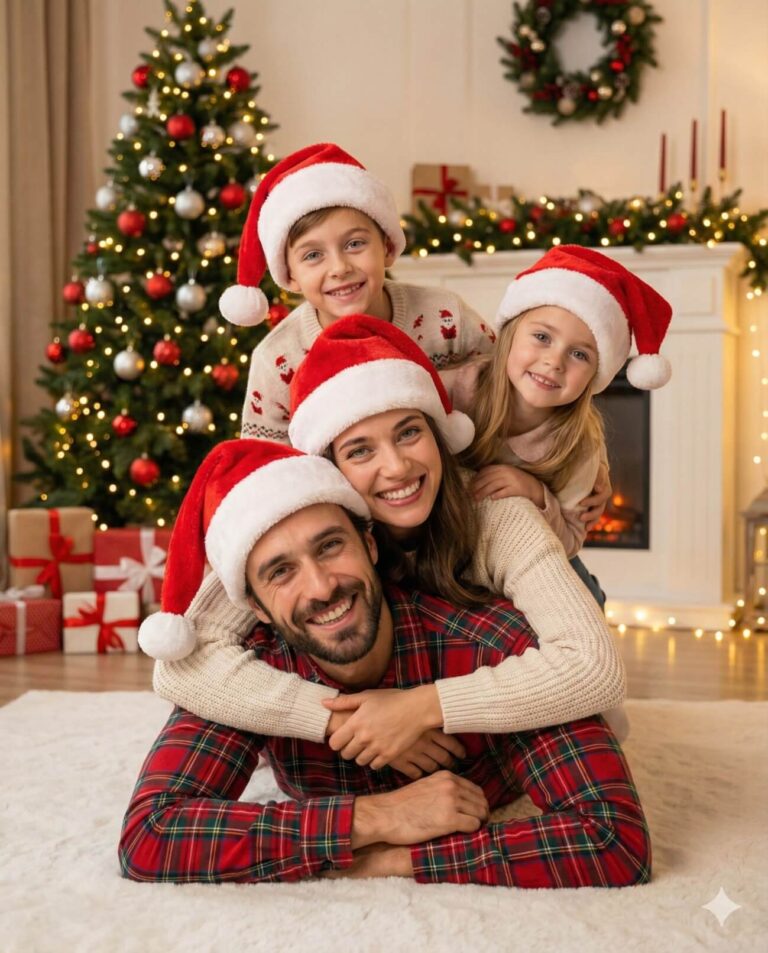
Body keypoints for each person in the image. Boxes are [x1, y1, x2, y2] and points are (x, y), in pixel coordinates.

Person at [121, 440, 651, 886]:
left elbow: (613, 839)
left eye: (330, 547)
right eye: (281, 572)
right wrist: (375, 819)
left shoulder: (492, 642)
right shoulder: (250, 674)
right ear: (255, 607)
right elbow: (150, 834)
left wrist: (396, 861)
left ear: (370, 546)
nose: (322, 586)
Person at [142, 316, 626, 772]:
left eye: (409, 433)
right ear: (329, 467)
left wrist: (418, 709)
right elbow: (181, 664)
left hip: (475, 739)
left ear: (438, 435)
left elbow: (594, 665)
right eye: (360, 450)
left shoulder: (498, 517)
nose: (396, 468)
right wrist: (339, 720)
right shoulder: (300, 528)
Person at [219, 141, 497, 443]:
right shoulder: (276, 360)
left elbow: (507, 394)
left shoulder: (446, 316)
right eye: (312, 255)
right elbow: (268, 464)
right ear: (290, 275)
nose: (339, 267)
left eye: (354, 244)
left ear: (387, 247)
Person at [443, 245, 673, 603]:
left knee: (588, 598)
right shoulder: (458, 389)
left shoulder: (579, 444)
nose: (554, 362)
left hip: (525, 549)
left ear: (596, 374)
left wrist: (535, 492)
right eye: (542, 337)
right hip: (452, 543)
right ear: (509, 335)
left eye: (579, 354)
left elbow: (570, 540)